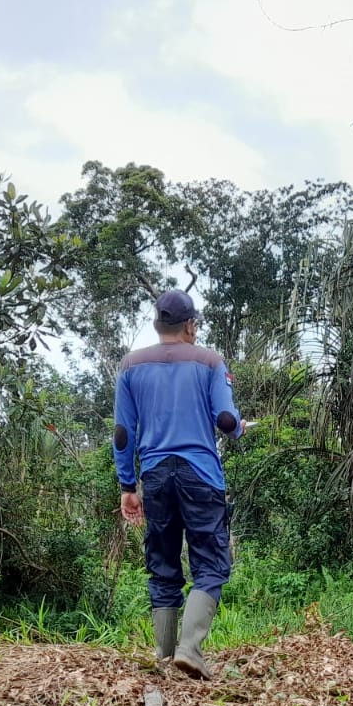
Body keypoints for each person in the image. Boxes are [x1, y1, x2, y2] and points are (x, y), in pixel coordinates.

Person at [114, 289, 244, 678]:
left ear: (157, 324)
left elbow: (123, 432)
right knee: (212, 563)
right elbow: (225, 419)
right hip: (200, 473)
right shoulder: (209, 361)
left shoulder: (131, 366)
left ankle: (164, 656)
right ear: (190, 325)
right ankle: (190, 649)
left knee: (163, 564)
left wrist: (127, 485)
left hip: (154, 476)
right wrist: (237, 426)